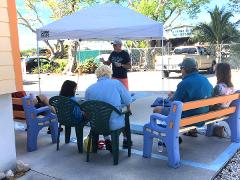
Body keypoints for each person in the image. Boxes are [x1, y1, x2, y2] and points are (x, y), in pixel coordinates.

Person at [154, 57, 213, 137]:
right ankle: (192, 131)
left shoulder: (183, 83)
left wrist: (172, 97)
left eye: (181, 68)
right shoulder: (205, 80)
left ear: (184, 69)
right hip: (203, 116)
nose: (180, 70)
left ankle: (164, 135)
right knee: (192, 107)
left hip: (187, 119)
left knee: (157, 109)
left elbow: (175, 105)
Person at [85, 65, 132, 152]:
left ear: (97, 75)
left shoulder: (89, 89)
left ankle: (107, 139)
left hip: (96, 124)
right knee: (125, 114)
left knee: (101, 115)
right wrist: (128, 109)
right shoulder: (116, 83)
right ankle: (126, 139)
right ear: (109, 73)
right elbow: (128, 100)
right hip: (114, 123)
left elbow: (87, 108)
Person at [211, 63, 234, 137]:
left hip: (216, 113)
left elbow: (211, 103)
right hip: (226, 111)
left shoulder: (218, 87)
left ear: (219, 73)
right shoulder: (231, 87)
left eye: (216, 71)